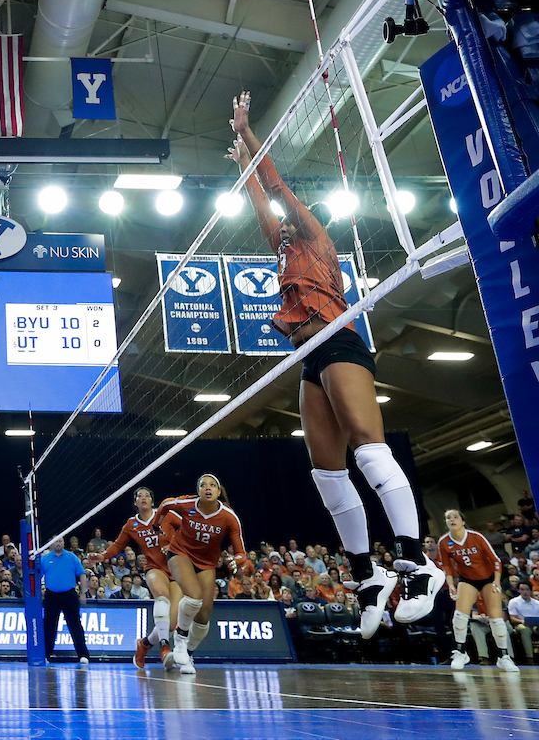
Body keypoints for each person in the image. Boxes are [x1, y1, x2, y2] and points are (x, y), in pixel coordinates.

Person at [229, 92, 441, 635]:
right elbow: (261, 203)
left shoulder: (317, 239)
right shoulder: (282, 248)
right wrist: (243, 167)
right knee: (327, 474)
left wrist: (253, 139)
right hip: (308, 356)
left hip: (339, 343)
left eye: (294, 218)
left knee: (370, 451)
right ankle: (369, 578)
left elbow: (278, 191)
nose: (285, 222)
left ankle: (418, 563)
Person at [156, 474, 245, 675]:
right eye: (203, 485)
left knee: (204, 614)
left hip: (207, 562)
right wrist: (156, 523)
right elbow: (166, 504)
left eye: (212, 485)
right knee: (194, 598)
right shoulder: (187, 503)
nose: (207, 488)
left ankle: (188, 652)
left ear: (218, 492)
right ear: (198, 491)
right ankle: (179, 640)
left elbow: (241, 552)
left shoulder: (229, 517)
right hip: (180, 553)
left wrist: (235, 561)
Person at [87, 486, 182, 670]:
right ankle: (164, 647)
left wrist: (174, 544)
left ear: (153, 502)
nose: (144, 497)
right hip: (154, 568)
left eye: (147, 495)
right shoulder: (131, 524)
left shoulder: (167, 515)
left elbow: (186, 529)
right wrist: (102, 557)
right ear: (136, 502)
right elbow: (117, 546)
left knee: (170, 625)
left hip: (176, 568)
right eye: (140, 496)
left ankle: (145, 644)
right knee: (161, 597)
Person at [437, 509, 519, 671]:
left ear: (463, 521)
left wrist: (497, 581)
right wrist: (451, 584)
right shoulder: (444, 542)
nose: (452, 520)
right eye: (448, 518)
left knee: (496, 619)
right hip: (467, 579)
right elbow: (446, 566)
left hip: (488, 578)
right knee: (459, 616)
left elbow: (495, 559)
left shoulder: (476, 536)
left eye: (455, 517)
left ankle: (503, 656)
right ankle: (461, 652)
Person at [39, 536, 90, 664]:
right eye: (56, 541)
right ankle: (46, 655)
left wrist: (83, 593)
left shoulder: (71, 557)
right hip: (52, 595)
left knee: (75, 625)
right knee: (49, 626)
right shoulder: (45, 558)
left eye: (60, 541)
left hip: (69, 595)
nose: (58, 543)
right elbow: (37, 575)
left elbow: (82, 574)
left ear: (64, 543)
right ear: (52, 544)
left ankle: (83, 655)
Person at [508, 582, 539, 665]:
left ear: (530, 591)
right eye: (522, 589)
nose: (525, 592)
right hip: (521, 624)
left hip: (536, 624)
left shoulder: (537, 603)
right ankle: (530, 658)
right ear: (518, 590)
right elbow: (512, 618)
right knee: (525, 630)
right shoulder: (514, 602)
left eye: (527, 590)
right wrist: (522, 621)